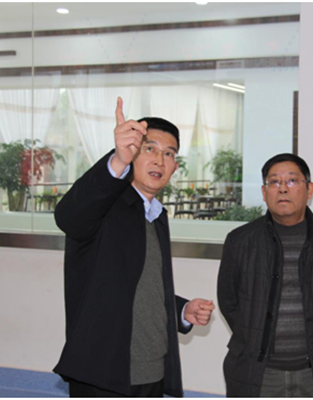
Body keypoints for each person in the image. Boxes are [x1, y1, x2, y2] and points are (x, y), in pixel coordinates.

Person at [53, 97, 215, 397]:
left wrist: (182, 310)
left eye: (169, 154)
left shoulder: (155, 216)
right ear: (131, 151)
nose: (159, 160)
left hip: (151, 370)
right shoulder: (105, 206)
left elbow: (138, 287)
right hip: (103, 374)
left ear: (175, 166)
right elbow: (68, 217)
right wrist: (117, 161)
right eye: (149, 149)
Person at [217, 153, 313, 397]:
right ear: (264, 192)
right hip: (257, 372)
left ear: (309, 189)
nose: (282, 188)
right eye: (274, 182)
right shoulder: (240, 241)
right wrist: (254, 336)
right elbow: (229, 301)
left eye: (292, 181)